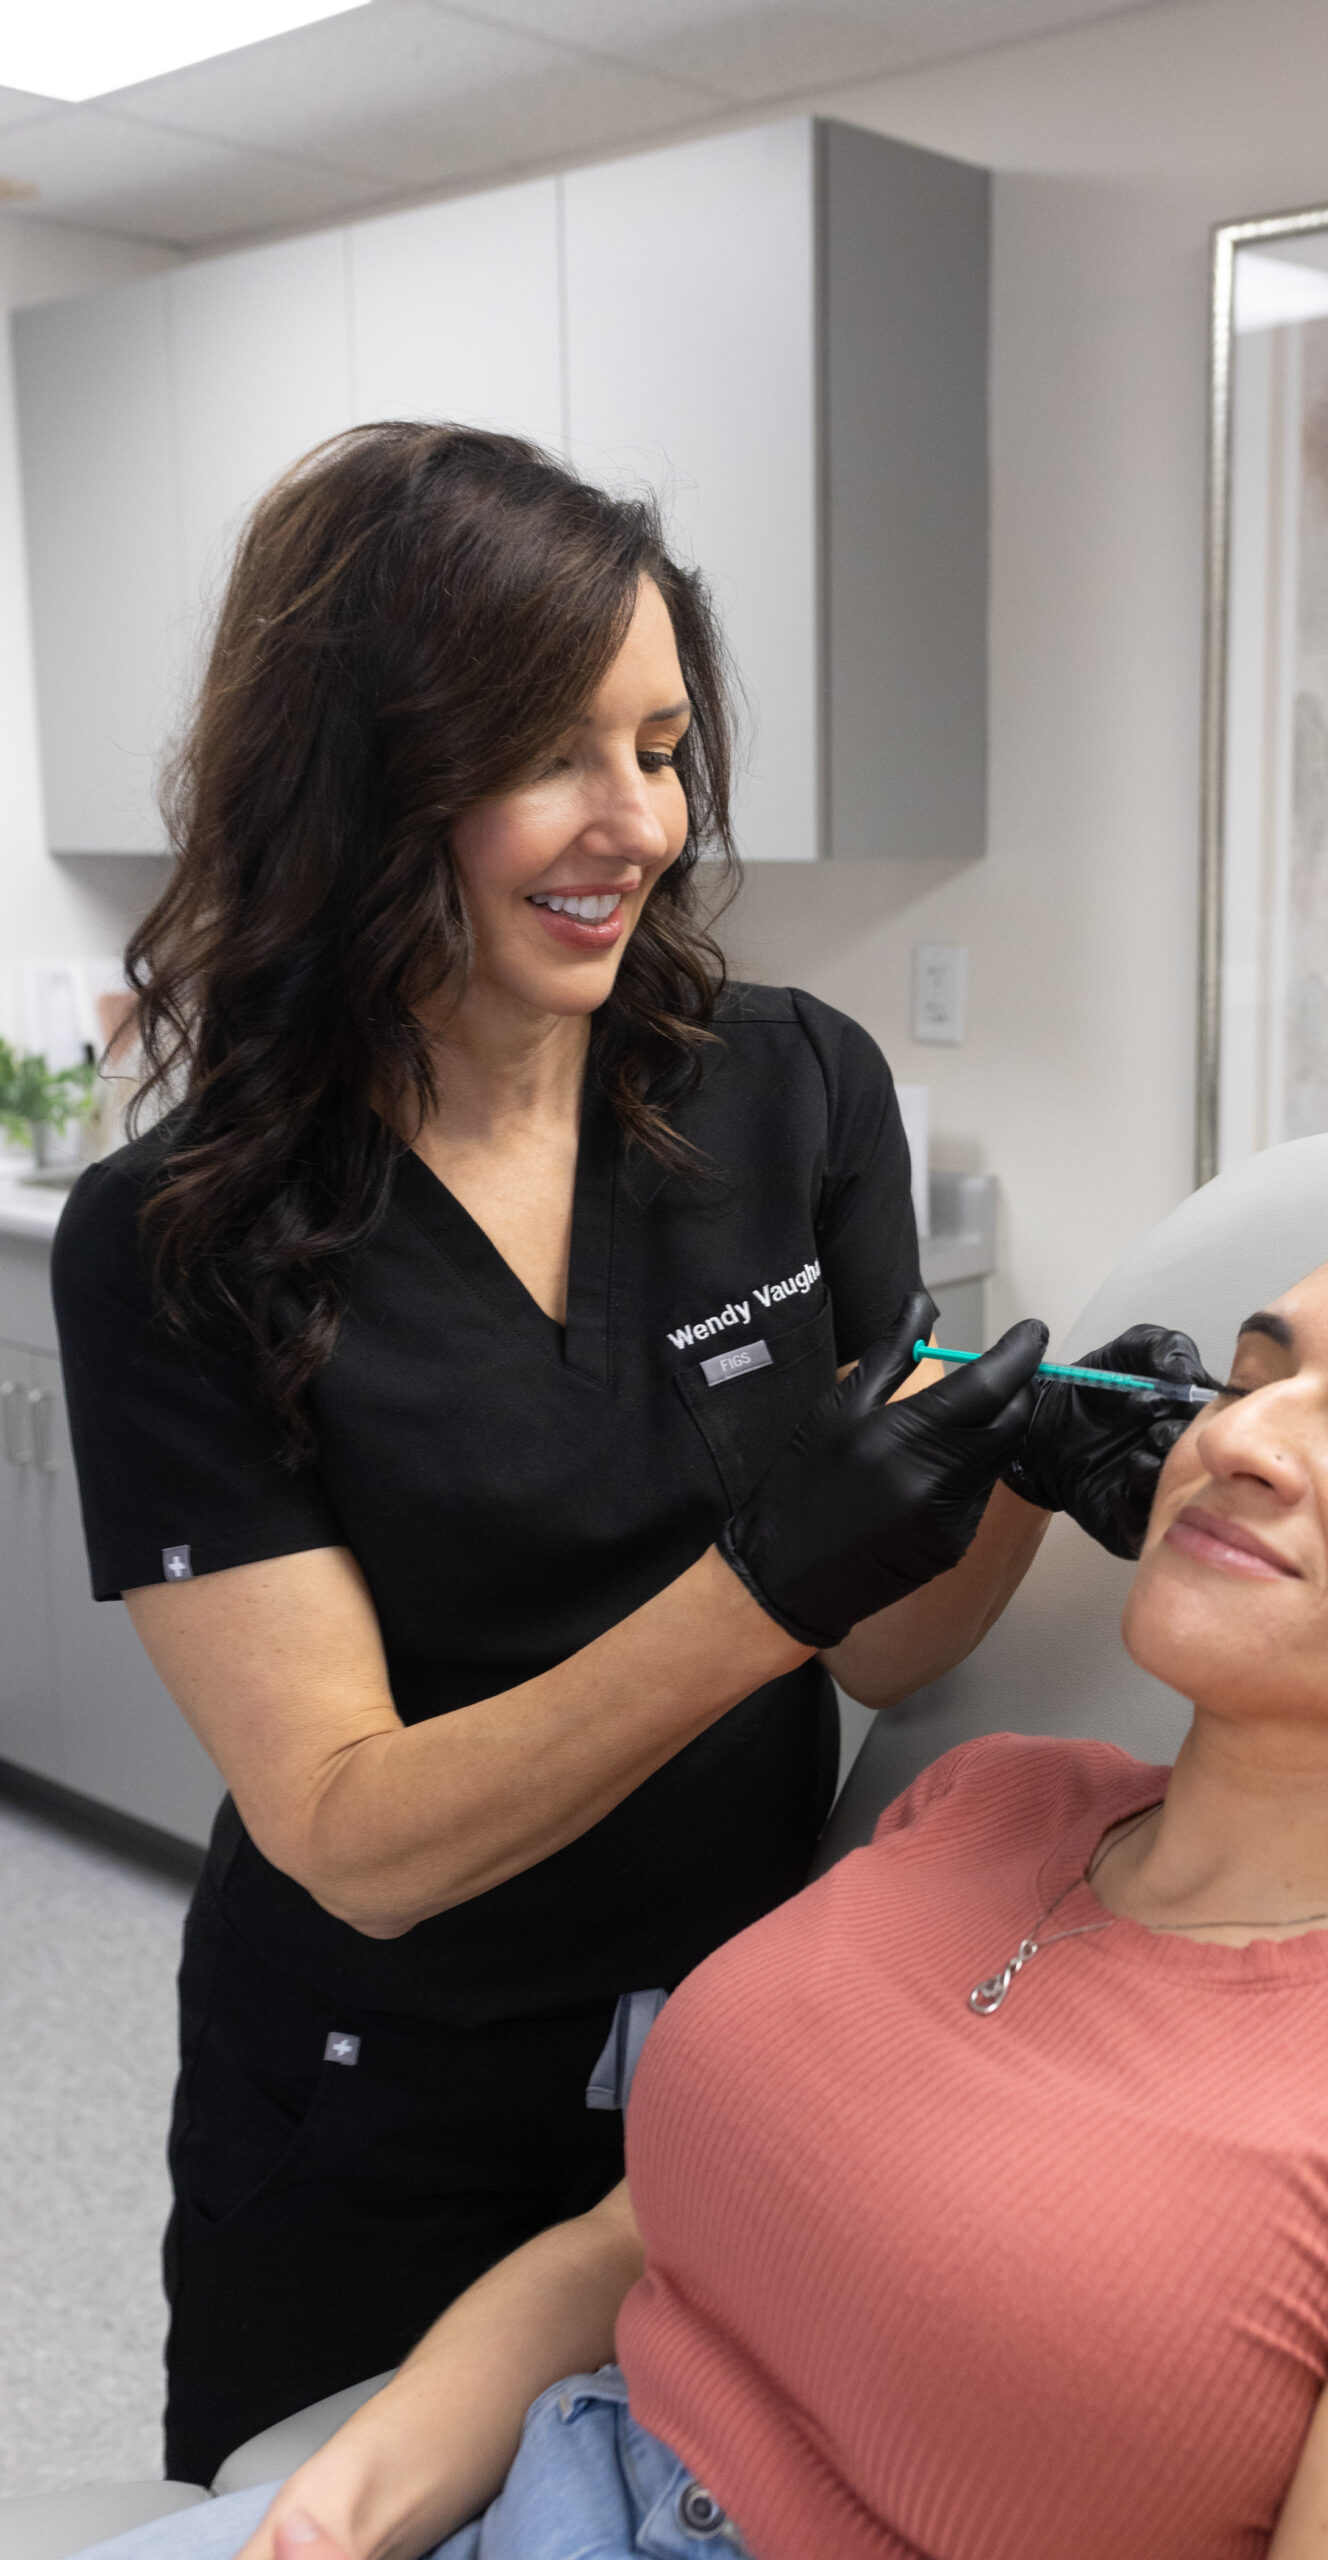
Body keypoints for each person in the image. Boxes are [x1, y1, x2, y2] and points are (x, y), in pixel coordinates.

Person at [49, 423, 1202, 2483]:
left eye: (665, 746)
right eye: (553, 752)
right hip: (382, 2082)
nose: (636, 822)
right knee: (333, 2494)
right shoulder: (183, 1243)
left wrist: (1009, 1464)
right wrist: (764, 1577)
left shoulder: (789, 1086)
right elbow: (354, 1832)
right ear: (359, 768)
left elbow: (879, 1648)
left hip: (746, 2037)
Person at [81, 1213, 1328, 2560]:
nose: (1243, 1441)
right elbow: (635, 2246)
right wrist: (331, 2522)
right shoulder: (989, 1798)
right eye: (1254, 1377)